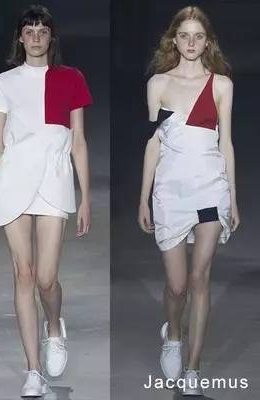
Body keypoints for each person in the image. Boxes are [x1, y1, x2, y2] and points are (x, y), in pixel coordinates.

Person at [0, 5, 92, 397]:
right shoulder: (4, 82)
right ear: (20, 37)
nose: (35, 37)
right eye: (28, 31)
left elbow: (79, 142)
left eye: (42, 31)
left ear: (51, 37)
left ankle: (54, 326)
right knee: (23, 275)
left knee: (46, 278)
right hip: (12, 178)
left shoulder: (71, 78)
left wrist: (85, 197)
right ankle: (33, 370)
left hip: (54, 178)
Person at [138, 5, 239, 396]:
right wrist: (144, 198)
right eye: (184, 35)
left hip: (211, 188)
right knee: (177, 286)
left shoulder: (221, 85)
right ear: (174, 39)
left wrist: (233, 198)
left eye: (199, 36)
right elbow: (153, 144)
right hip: (170, 191)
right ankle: (173, 335)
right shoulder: (158, 84)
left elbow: (226, 143)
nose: (192, 43)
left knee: (200, 279)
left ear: (207, 41)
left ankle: (194, 369)